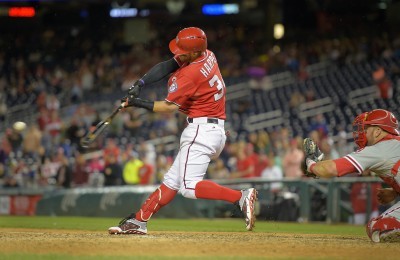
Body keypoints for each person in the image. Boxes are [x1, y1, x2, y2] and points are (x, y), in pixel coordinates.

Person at [108, 27, 257, 235]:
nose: (178, 54)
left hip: (201, 130)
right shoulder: (207, 55)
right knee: (171, 181)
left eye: (183, 51)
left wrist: (137, 103)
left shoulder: (191, 73)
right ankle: (139, 222)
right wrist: (140, 83)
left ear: (194, 52)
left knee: (188, 188)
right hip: (212, 128)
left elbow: (168, 108)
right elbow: (168, 65)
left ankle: (240, 197)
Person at [303, 108, 400, 243]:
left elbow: (331, 169)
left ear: (378, 131)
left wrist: (311, 164)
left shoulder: (380, 148)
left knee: (379, 228)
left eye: (367, 128)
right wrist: (396, 191)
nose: (363, 132)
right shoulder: (393, 145)